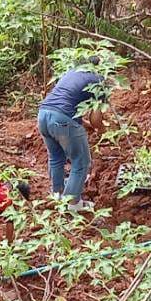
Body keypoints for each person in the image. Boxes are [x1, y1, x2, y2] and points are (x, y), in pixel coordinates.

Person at [36, 64, 108, 208]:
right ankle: (73, 204)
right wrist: (103, 131)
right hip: (63, 120)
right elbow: (96, 120)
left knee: (56, 157)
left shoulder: (73, 71)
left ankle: (57, 195)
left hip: (43, 115)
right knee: (81, 162)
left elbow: (65, 102)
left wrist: (84, 124)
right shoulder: (99, 81)